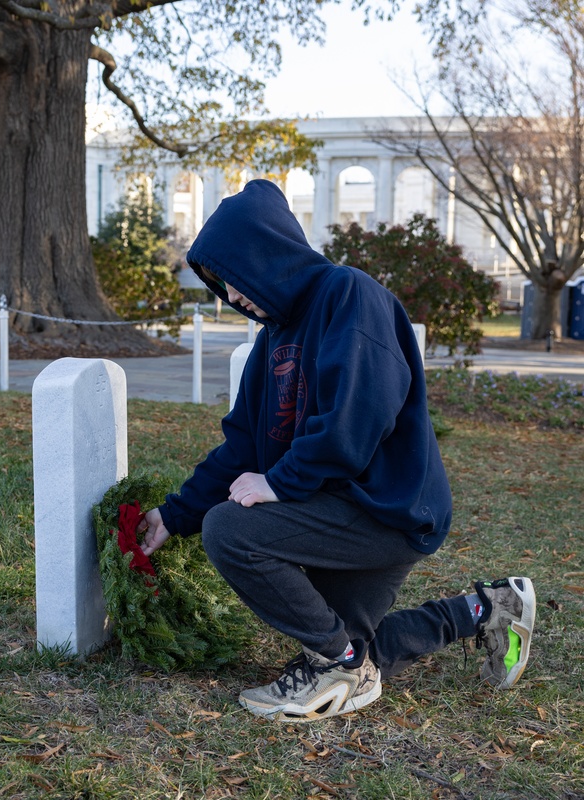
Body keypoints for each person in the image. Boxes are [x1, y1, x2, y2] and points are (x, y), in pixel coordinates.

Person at [139, 179, 535, 723]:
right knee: (347, 640)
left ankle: (340, 667)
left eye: (235, 278)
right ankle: (487, 609)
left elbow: (358, 418)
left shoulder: (349, 294)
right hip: (340, 507)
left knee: (231, 530)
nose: (231, 296)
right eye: (219, 286)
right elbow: (241, 446)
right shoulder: (271, 338)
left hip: (385, 509)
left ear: (267, 253)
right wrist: (174, 513)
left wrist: (276, 484)